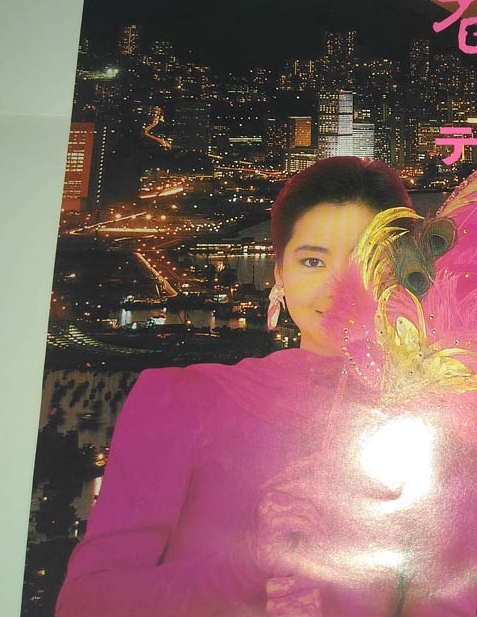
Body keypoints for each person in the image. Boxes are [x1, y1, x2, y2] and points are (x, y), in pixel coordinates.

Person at [55, 156, 417, 616]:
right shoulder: (179, 401)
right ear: (279, 273)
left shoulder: (432, 431)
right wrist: (246, 567)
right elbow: (85, 602)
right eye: (312, 261)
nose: (336, 288)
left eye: (365, 263)